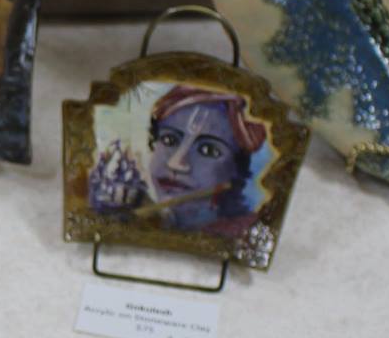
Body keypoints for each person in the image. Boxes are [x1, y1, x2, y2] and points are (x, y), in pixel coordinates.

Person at [88, 85, 266, 237]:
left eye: (208, 150)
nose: (175, 163)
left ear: (235, 170)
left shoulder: (244, 234)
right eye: (169, 140)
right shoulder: (138, 214)